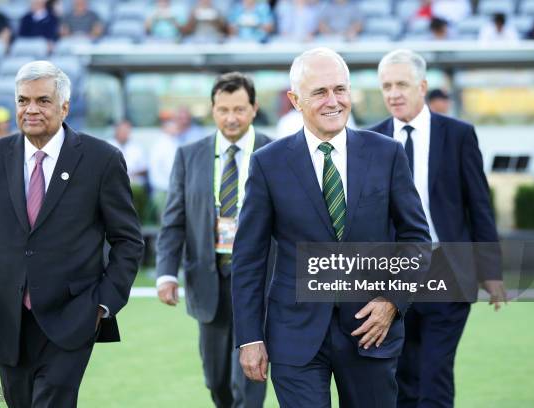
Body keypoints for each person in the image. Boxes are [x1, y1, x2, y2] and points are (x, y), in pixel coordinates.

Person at [232, 47, 431, 408]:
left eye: (340, 89)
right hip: (294, 335)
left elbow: (416, 240)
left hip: (371, 330)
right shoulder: (267, 164)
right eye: (320, 92)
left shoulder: (386, 154)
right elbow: (248, 258)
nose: (333, 101)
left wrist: (392, 301)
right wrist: (249, 337)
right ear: (295, 100)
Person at [0, 61, 144, 408]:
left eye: (42, 100)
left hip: (74, 318)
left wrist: (102, 304)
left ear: (64, 107)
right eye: (23, 101)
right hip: (9, 321)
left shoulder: (101, 160)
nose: (31, 109)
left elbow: (128, 240)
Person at [369, 49, 506, 408]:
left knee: (435, 376)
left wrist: (491, 272)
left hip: (447, 266)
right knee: (401, 378)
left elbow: (479, 206)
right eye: (386, 86)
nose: (394, 93)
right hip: (393, 273)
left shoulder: (458, 135)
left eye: (401, 84)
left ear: (423, 86)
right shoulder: (369, 141)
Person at [157, 72, 271, 408]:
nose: (231, 118)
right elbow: (173, 221)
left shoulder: (276, 151)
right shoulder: (189, 155)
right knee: (216, 379)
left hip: (260, 283)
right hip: (210, 283)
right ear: (212, 109)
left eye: (239, 109)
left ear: (254, 109)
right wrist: (166, 273)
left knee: (249, 380)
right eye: (223, 109)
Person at [109, 119, 148, 186]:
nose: (124, 133)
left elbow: (144, 169)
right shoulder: (108, 146)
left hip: (134, 184)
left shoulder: (137, 147)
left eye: (127, 130)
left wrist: (132, 174)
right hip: (113, 184)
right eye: (122, 130)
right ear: (116, 131)